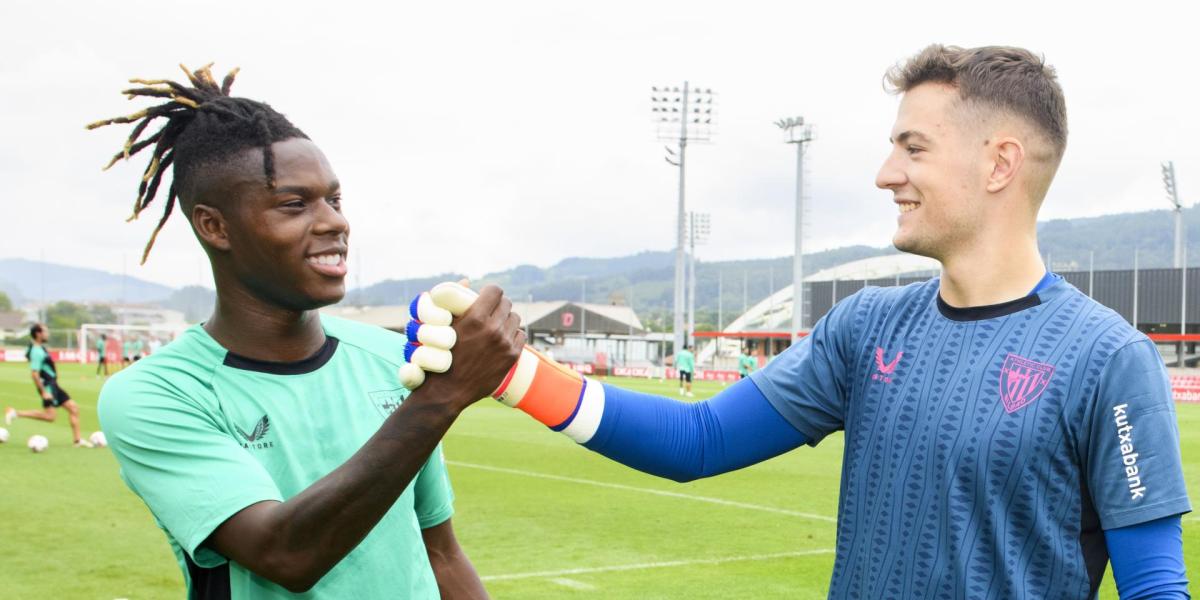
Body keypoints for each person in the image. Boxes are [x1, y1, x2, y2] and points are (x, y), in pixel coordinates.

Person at [456, 45, 1190, 598]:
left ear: (1000, 163)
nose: (885, 173)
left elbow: (1154, 588)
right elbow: (696, 440)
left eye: (913, 147)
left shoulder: (1108, 359)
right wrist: (517, 375)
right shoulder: (864, 329)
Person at [92, 64, 522, 598]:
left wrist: (436, 395)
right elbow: (285, 554)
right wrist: (444, 397)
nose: (334, 223)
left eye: (334, 200)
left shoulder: (393, 360)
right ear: (214, 226)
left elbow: (440, 552)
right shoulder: (155, 395)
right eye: (295, 204)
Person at [5, 324, 93, 447]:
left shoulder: (39, 348)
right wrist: (44, 392)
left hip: (53, 385)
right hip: (48, 387)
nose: (47, 334)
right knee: (50, 416)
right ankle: (15, 413)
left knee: (73, 408)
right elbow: (34, 374)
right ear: (38, 334)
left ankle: (77, 441)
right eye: (45, 331)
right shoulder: (36, 351)